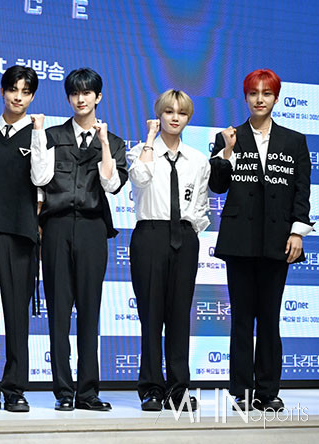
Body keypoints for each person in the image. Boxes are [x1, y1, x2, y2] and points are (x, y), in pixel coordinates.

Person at [209, 69, 313, 412]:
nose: (259, 99)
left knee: (269, 318)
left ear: (276, 98)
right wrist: (227, 152)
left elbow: (301, 191)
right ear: (245, 97)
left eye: (266, 93)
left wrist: (297, 231)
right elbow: (217, 186)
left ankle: (268, 391)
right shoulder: (229, 136)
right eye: (253, 93)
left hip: (277, 240)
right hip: (240, 240)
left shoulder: (294, 141)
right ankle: (241, 391)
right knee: (241, 319)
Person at [39, 68, 127, 412]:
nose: (81, 99)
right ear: (68, 97)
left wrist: (103, 144)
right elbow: (38, 181)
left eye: (87, 92)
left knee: (90, 312)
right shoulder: (51, 136)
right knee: (59, 312)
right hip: (56, 227)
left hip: (92, 228)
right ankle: (63, 391)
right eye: (75, 93)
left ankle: (88, 391)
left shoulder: (114, 142)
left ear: (98, 97)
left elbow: (112, 185)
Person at [0, 65, 53, 413]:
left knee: (17, 317)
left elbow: (42, 179)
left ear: (32, 97)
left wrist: (38, 134)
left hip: (20, 235)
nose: (18, 97)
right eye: (13, 89)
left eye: (25, 92)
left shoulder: (39, 135)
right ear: (2, 91)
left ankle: (15, 388)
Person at [127, 90, 210, 412]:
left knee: (179, 316)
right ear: (159, 115)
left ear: (188, 118)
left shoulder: (197, 159)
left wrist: (190, 232)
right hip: (150, 234)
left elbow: (200, 204)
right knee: (150, 316)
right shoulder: (140, 152)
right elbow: (139, 179)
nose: (175, 118)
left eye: (182, 113)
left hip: (185, 238)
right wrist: (150, 140)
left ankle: (178, 389)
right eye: (169, 111)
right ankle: (151, 388)